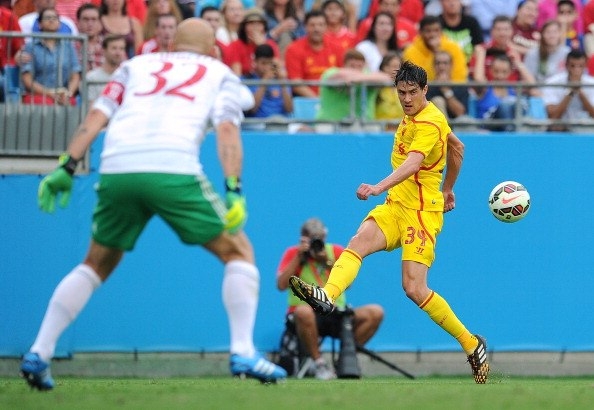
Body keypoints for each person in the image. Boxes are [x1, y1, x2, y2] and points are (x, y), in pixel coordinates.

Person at [19, 17, 287, 391]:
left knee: (95, 263)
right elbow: (226, 129)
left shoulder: (135, 65)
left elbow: (97, 114)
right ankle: (243, 350)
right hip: (172, 167)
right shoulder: (219, 73)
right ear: (214, 50)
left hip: (117, 167)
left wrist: (66, 164)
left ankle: (39, 351)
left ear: (169, 46)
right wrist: (233, 186)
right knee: (239, 252)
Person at [288, 60, 490, 385]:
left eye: (412, 92)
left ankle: (471, 344)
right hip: (396, 207)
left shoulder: (430, 122)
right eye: (401, 92)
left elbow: (414, 163)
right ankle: (328, 294)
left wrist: (378, 187)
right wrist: (448, 188)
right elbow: (457, 146)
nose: (406, 99)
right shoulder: (415, 116)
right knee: (357, 242)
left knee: (414, 288)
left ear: (425, 90)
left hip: (421, 214)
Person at [276, 218, 384, 380]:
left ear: (324, 237)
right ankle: (319, 363)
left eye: (319, 239)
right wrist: (298, 258)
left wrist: (326, 261)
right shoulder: (294, 253)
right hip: (305, 315)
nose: (315, 244)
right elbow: (281, 285)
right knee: (303, 312)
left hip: (336, 312)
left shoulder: (335, 252)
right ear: (303, 238)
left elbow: (348, 284)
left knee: (375, 313)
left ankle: (345, 360)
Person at [20, 7, 81, 105]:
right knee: (46, 104)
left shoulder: (68, 46)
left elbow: (75, 75)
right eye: (47, 18)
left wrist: (68, 94)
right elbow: (27, 79)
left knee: (71, 103)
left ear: (59, 23)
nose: (51, 20)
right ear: (40, 24)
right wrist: (49, 93)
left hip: (63, 94)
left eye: (54, 18)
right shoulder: (31, 47)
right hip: (38, 95)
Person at [316, 48, 392, 121]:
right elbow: (338, 75)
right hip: (330, 123)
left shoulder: (368, 76)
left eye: (359, 66)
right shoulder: (331, 72)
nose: (356, 69)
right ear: (344, 65)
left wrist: (356, 79)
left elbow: (386, 78)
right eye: (352, 66)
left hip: (364, 125)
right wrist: (362, 77)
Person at [284, 10, 344, 97]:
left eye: (321, 25)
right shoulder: (293, 49)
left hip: (334, 97)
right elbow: (296, 82)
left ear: (326, 27)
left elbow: (343, 76)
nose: (316, 29)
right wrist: (317, 100)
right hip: (305, 100)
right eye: (312, 25)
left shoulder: (337, 48)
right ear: (305, 27)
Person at [473, 53, 534, 131]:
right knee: (504, 106)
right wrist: (481, 54)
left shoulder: (513, 90)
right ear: (491, 70)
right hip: (488, 129)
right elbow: (478, 79)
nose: (500, 76)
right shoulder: (485, 89)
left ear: (510, 71)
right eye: (496, 71)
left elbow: (531, 84)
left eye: (504, 72)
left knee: (519, 104)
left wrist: (518, 63)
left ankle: (511, 132)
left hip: (510, 127)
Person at [403, 15, 467, 82]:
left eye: (436, 30)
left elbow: (460, 76)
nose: (433, 35)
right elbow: (416, 80)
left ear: (442, 31)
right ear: (420, 32)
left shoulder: (454, 48)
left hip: (452, 87)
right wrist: (435, 51)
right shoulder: (411, 52)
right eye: (428, 31)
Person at [542, 48, 594, 131]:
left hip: (586, 129)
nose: (576, 70)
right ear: (566, 65)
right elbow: (553, 116)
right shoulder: (553, 82)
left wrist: (580, 92)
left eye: (580, 66)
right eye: (572, 66)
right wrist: (571, 91)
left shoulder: (591, 84)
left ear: (585, 66)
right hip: (561, 129)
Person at [243, 43, 292, 119]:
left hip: (282, 121)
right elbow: (252, 109)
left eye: (270, 63)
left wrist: (282, 82)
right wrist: (265, 81)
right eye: (263, 63)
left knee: (303, 126)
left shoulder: (281, 79)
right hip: (259, 122)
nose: (267, 67)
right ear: (255, 62)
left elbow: (289, 109)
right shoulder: (247, 80)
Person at [225, 7, 279, 76]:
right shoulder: (236, 46)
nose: (255, 28)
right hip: (246, 81)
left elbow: (276, 70)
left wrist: (262, 47)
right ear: (244, 27)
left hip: (268, 80)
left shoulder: (271, 44)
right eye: (251, 24)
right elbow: (237, 75)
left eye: (259, 24)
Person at [425, 50, 468, 121]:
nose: (441, 67)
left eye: (445, 63)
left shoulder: (460, 87)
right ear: (433, 66)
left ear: (451, 66)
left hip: (457, 124)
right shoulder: (427, 88)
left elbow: (460, 113)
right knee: (438, 101)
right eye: (438, 63)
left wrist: (446, 91)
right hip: (433, 124)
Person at [524, 19, 570, 83]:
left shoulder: (567, 53)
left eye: (555, 32)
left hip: (562, 87)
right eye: (548, 32)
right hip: (539, 87)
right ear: (542, 35)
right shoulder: (533, 54)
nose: (552, 36)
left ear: (560, 34)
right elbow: (528, 78)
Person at [86, 34, 126, 102]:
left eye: (121, 49)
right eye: (114, 48)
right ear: (104, 51)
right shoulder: (91, 78)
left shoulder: (127, 77)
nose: (118, 53)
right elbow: (91, 105)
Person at [374, 51, 404, 126]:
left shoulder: (405, 88)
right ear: (384, 67)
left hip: (401, 128)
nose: (397, 70)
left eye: (399, 67)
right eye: (394, 66)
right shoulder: (376, 86)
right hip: (380, 128)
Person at [76, 3, 104, 71]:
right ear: (78, 22)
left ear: (100, 23)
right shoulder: (71, 46)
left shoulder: (109, 45)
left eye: (94, 19)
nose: (90, 24)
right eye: (85, 19)